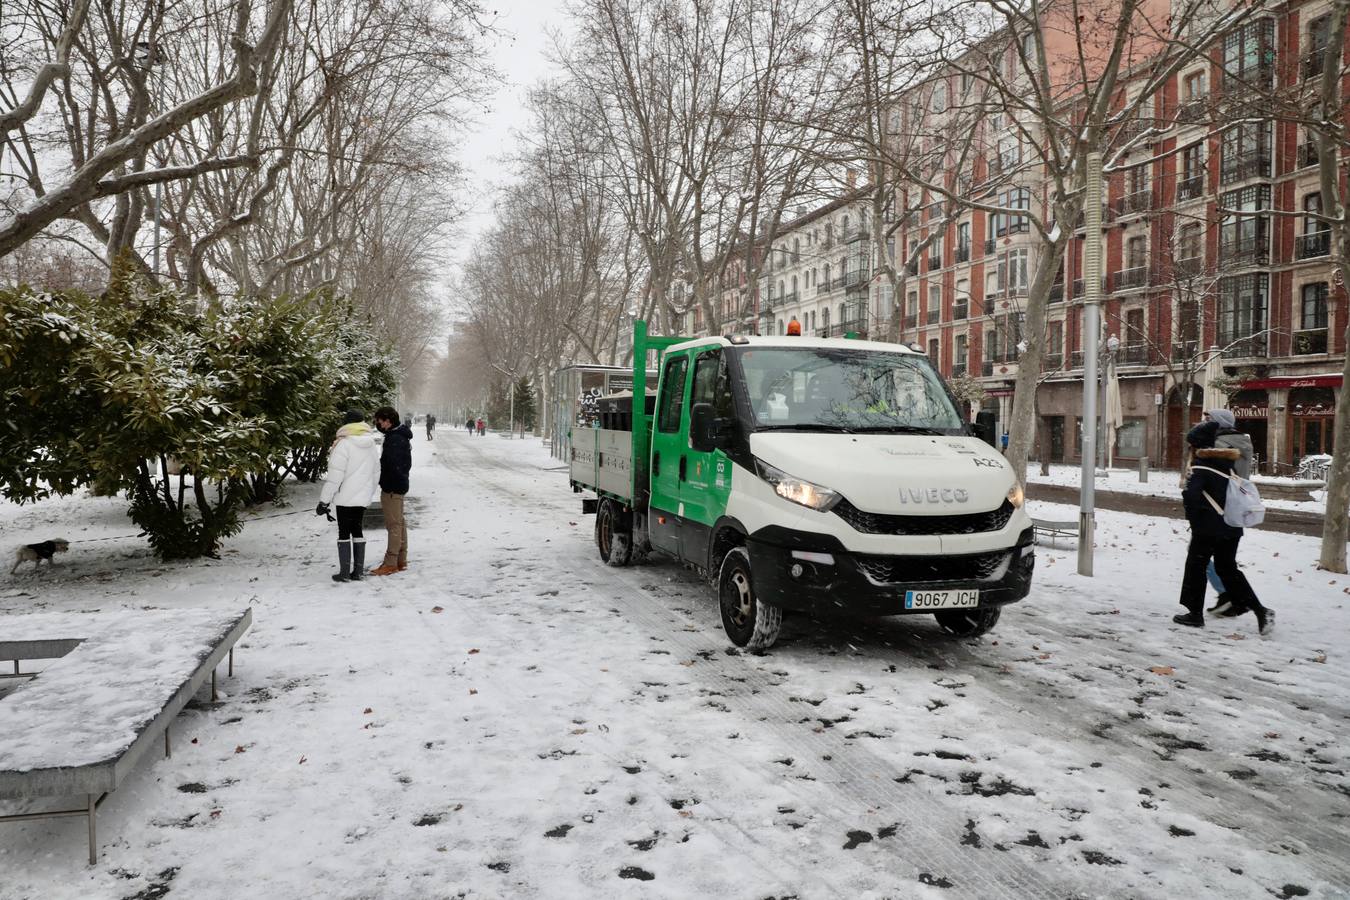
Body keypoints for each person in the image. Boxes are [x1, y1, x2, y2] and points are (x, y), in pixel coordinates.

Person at [1175, 420, 1273, 634]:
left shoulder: (1200, 466)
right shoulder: (1226, 465)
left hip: (1208, 527)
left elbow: (1192, 497)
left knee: (1196, 566)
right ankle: (1260, 610)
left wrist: (1194, 518)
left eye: (1191, 444)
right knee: (1227, 568)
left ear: (1198, 445)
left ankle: (1194, 614)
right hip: (1231, 526)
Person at [316, 410, 381, 583]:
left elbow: (335, 477)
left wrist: (324, 501)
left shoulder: (343, 444)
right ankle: (358, 572)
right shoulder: (370, 445)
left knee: (344, 531)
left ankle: (344, 572)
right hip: (362, 497)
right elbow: (376, 472)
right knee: (357, 529)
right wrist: (369, 491)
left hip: (345, 497)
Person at [1201, 409, 1255, 614]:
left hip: (1219, 507)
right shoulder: (1239, 440)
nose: (1205, 422)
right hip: (1232, 507)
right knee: (1224, 561)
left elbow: (1210, 470)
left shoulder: (1221, 445)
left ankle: (1231, 595)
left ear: (1218, 423)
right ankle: (1236, 599)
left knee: (1204, 555)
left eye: (1209, 419)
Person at [369, 407, 412, 576]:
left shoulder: (395, 439)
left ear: (388, 420)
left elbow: (393, 465)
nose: (377, 424)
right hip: (398, 485)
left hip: (393, 487)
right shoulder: (398, 436)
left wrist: (385, 481)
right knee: (399, 523)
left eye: (379, 420)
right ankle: (401, 560)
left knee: (394, 525)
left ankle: (391, 562)